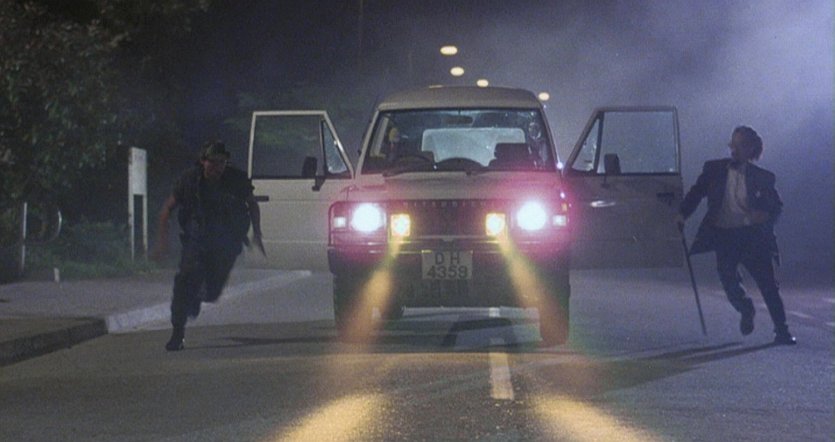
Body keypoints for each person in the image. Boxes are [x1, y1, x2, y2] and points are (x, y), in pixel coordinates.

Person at [678, 126, 796, 345]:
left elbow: (776, 206)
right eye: (733, 144)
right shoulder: (713, 169)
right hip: (725, 235)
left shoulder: (763, 177)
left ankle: (783, 331)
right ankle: (746, 308)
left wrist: (765, 215)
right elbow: (696, 192)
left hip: (752, 237)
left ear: (751, 148)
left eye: (740, 145)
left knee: (768, 284)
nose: (734, 149)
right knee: (728, 280)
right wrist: (682, 214)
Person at [152, 141, 263, 351]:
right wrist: (162, 242)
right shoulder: (190, 180)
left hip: (226, 242)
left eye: (221, 162)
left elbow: (252, 204)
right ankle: (177, 333)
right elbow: (167, 208)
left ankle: (198, 296)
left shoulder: (235, 180)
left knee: (212, 293)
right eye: (212, 162)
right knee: (184, 281)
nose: (216, 167)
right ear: (203, 161)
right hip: (197, 240)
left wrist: (257, 233)